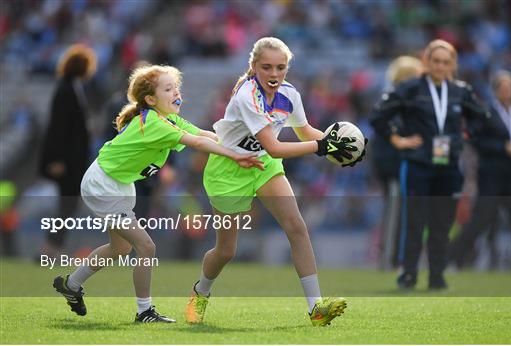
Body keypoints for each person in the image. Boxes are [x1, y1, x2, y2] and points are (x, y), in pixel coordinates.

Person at [53, 64, 264, 323]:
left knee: (120, 248)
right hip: (103, 185)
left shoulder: (168, 118)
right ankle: (144, 311)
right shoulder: (154, 122)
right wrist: (237, 154)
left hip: (118, 184)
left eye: (176, 87)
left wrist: (244, 141)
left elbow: (204, 134)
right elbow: (197, 143)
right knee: (146, 246)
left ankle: (71, 284)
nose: (176, 92)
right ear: (151, 99)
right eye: (168, 89)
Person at [184, 37, 365, 327]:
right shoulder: (246, 95)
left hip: (264, 167)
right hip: (228, 169)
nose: (274, 74)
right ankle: (201, 291)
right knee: (226, 251)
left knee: (297, 227)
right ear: (254, 67)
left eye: (280, 68)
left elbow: (304, 130)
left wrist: (339, 144)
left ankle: (315, 308)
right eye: (266, 67)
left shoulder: (290, 94)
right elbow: (276, 147)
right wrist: (322, 148)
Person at [370, 39, 490, 290]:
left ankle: (437, 275)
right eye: (436, 61)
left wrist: (465, 136)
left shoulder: (460, 91)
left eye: (446, 62)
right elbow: (379, 115)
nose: (440, 66)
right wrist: (398, 139)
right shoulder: (411, 89)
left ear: (453, 65)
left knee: (443, 223)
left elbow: (483, 119)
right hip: (418, 164)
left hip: (448, 167)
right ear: (427, 62)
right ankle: (409, 274)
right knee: (415, 221)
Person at [450, 71, 511, 272]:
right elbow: (475, 139)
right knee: (480, 220)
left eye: (510, 87)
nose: (507, 91)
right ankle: (452, 255)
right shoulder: (486, 112)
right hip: (491, 175)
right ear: (496, 91)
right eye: (503, 87)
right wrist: (501, 147)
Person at [39, 44, 97, 258]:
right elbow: (58, 127)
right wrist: (55, 159)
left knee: (68, 205)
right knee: (67, 205)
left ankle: (52, 247)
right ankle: (50, 248)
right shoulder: (66, 90)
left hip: (73, 160)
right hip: (66, 161)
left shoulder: (72, 87)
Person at [372, 56, 423, 269]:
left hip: (404, 167)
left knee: (402, 214)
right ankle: (388, 259)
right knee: (394, 213)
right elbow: (384, 140)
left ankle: (397, 258)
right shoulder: (391, 102)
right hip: (394, 168)